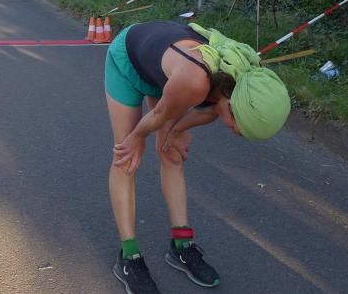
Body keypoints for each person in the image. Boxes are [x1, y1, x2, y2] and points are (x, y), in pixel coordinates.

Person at [106, 20, 290, 293]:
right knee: (126, 157)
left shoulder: (242, 81)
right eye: (237, 126)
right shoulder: (196, 81)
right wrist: (137, 138)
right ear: (231, 103)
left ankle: (181, 245)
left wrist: (177, 130)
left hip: (167, 75)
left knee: (171, 153)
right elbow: (160, 114)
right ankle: (129, 257)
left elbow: (205, 112)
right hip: (129, 59)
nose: (234, 131)